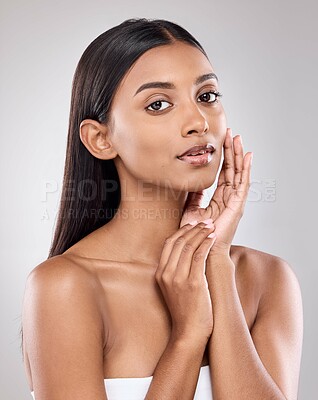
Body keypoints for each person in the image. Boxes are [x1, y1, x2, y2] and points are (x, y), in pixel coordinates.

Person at [21, 17, 303, 400]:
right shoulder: (64, 288)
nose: (198, 122)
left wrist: (215, 262)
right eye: (158, 104)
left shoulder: (268, 279)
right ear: (101, 139)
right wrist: (188, 337)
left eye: (207, 96)